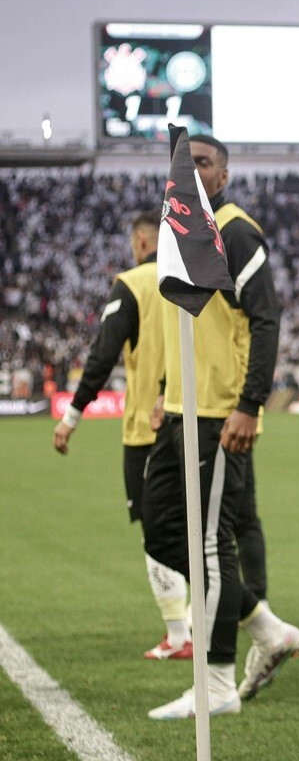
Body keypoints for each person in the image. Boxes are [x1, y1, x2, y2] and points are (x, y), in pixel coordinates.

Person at [141, 134, 299, 719]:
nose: (192, 172)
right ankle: (264, 625)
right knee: (161, 534)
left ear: (223, 175)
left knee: (209, 547)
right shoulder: (176, 236)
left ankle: (215, 686)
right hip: (181, 412)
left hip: (218, 414)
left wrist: (249, 404)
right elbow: (180, 328)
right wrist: (163, 392)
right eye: (184, 164)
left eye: (203, 163)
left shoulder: (234, 230)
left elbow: (266, 320)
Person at [53, 210, 193, 661]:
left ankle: (180, 635)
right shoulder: (193, 276)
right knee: (194, 528)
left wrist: (72, 415)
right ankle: (219, 620)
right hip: (197, 420)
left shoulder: (132, 283)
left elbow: (103, 354)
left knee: (156, 532)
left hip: (146, 430)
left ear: (139, 241)